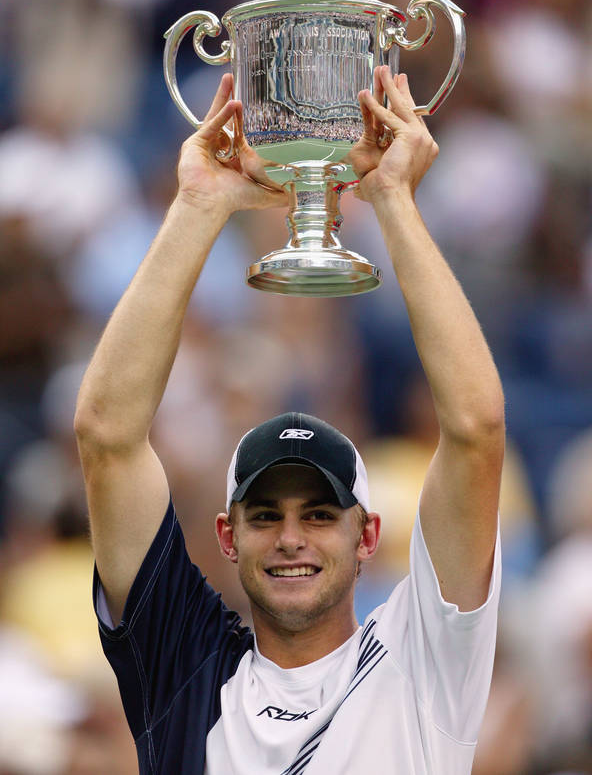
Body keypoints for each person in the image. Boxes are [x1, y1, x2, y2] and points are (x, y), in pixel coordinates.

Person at [74, 67, 505, 774]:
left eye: (319, 514)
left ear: (367, 534)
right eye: (266, 515)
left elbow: (476, 429)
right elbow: (106, 436)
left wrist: (393, 200)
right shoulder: (185, 666)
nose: (291, 539)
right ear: (228, 536)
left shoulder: (422, 660)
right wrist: (198, 204)